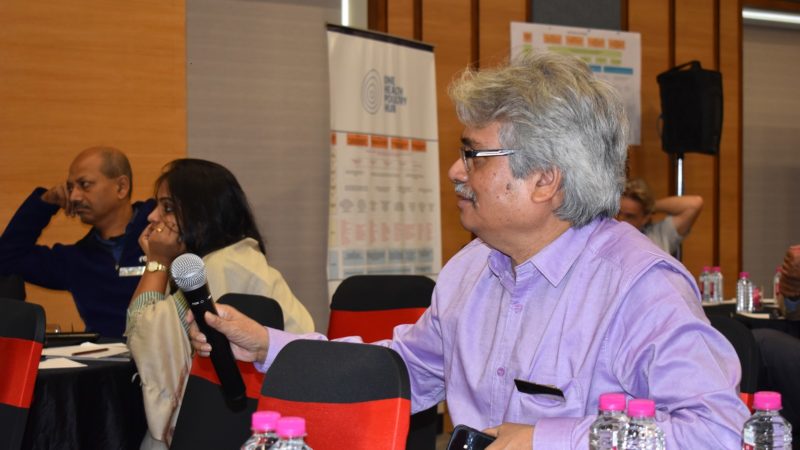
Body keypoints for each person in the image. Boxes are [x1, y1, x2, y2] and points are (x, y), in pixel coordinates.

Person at [189, 52, 748, 448]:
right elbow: (402, 371)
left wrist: (548, 440)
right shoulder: (473, 267)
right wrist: (266, 345)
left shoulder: (640, 286)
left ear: (545, 181)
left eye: (474, 154)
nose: (456, 171)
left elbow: (715, 431)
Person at [125, 158, 314, 449]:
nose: (152, 217)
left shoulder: (221, 267)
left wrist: (157, 263)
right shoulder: (235, 259)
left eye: (167, 207)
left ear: (202, 214)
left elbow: (143, 333)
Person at [0, 146, 154, 337]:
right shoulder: (76, 259)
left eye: (85, 184)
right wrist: (45, 203)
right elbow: (7, 258)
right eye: (71, 188)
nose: (74, 197)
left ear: (121, 187)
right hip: (105, 362)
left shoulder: (163, 236)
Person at [617, 178, 703, 255]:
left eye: (629, 216)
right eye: (618, 213)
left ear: (645, 218)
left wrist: (650, 206)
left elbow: (695, 204)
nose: (620, 220)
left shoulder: (659, 235)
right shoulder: (607, 235)